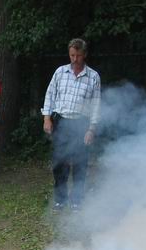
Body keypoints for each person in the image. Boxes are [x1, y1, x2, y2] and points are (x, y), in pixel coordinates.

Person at [41, 38, 101, 210]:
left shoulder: (93, 76)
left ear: (85, 55)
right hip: (61, 121)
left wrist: (91, 128)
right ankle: (60, 199)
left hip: (81, 123)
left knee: (80, 163)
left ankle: (77, 200)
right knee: (60, 161)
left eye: (78, 55)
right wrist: (47, 117)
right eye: (72, 55)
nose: (75, 59)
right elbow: (50, 95)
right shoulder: (60, 72)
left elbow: (96, 104)